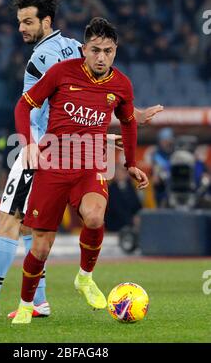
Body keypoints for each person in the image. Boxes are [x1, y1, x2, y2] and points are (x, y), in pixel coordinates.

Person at [0, 0, 161, 321]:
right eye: (20, 21)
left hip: (40, 149)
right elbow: (85, 97)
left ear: (46, 21)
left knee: (10, 220)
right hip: (62, 149)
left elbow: (67, 98)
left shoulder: (45, 57)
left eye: (28, 21)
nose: (21, 28)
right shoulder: (72, 46)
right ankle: (39, 301)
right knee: (36, 229)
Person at [11, 17, 149, 324]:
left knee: (96, 216)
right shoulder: (61, 72)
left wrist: (131, 164)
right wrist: (27, 144)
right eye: (96, 50)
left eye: (108, 51)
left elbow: (128, 122)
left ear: (115, 52)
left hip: (89, 166)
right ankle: (25, 304)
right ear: (83, 50)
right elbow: (24, 105)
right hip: (52, 166)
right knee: (41, 246)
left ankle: (84, 277)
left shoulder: (121, 85)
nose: (102, 57)